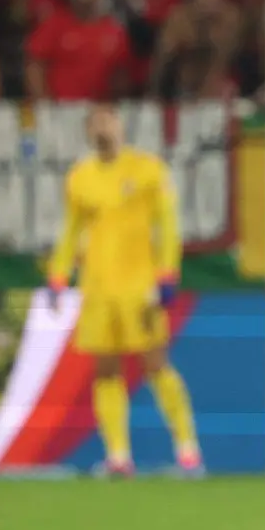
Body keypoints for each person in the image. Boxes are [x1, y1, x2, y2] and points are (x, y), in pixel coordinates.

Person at [48, 104, 204, 478]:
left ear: (121, 126)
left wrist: (167, 273)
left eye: (109, 121)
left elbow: (167, 225)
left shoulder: (147, 170)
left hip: (140, 287)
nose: (103, 128)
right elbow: (71, 231)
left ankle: (188, 450)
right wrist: (57, 275)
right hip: (99, 287)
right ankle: (118, 457)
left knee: (155, 365)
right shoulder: (80, 177)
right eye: (96, 123)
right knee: (105, 371)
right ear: (88, 132)